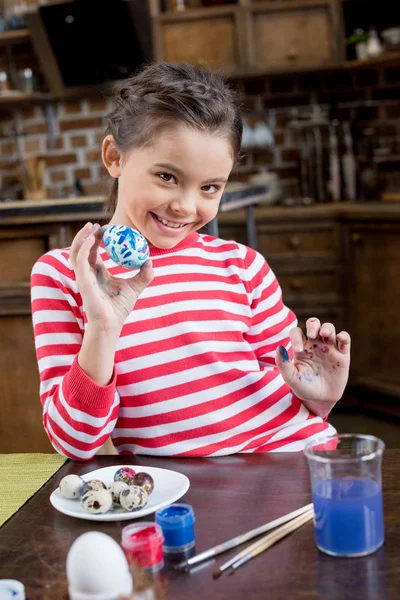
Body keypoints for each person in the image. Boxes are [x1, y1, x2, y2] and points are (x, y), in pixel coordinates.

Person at [30, 63, 350, 460]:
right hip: (182, 494)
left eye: (210, 187)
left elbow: (300, 402)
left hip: (296, 461)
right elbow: (74, 443)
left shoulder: (243, 266)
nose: (185, 206)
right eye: (166, 176)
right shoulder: (63, 275)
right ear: (114, 156)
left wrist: (324, 397)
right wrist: (102, 329)